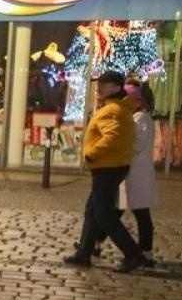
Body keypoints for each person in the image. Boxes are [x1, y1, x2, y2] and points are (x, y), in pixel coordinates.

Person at [64, 70, 152, 273]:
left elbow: (111, 136)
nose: (99, 87)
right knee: (92, 211)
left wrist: (91, 154)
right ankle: (84, 253)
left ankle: (133, 254)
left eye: (103, 84)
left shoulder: (114, 109)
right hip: (110, 167)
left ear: (115, 87)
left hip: (107, 167)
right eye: (99, 84)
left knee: (104, 216)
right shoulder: (117, 107)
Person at [96, 82, 158, 257]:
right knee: (116, 211)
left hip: (136, 174)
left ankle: (145, 250)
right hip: (130, 173)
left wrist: (119, 146)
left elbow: (137, 144)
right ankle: (96, 241)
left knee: (139, 213)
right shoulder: (137, 118)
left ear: (137, 101)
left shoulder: (141, 120)